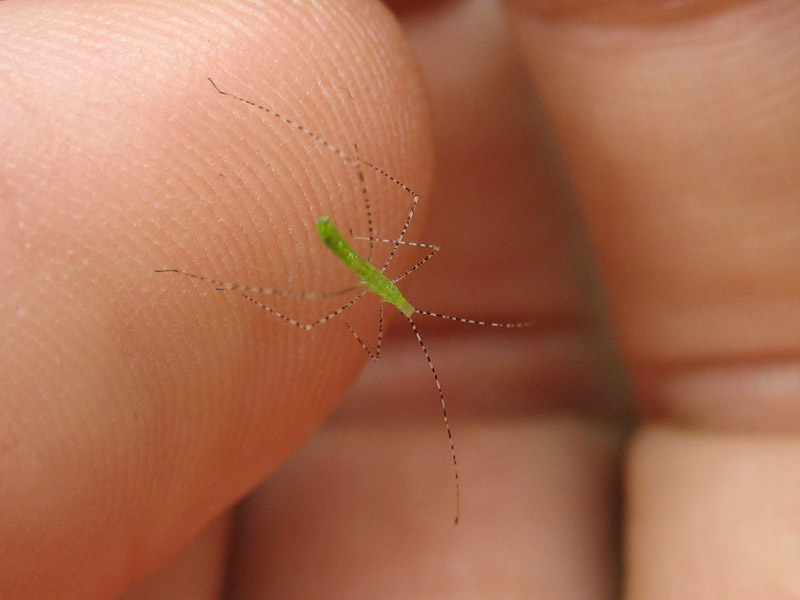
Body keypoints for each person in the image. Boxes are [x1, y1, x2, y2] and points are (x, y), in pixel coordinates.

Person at [3, 0, 798, 597]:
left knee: (316, 304)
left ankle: (218, 260)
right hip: (338, 228)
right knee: (367, 203)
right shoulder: (381, 277)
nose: (412, 313)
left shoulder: (375, 306)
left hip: (342, 260)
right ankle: (251, 123)